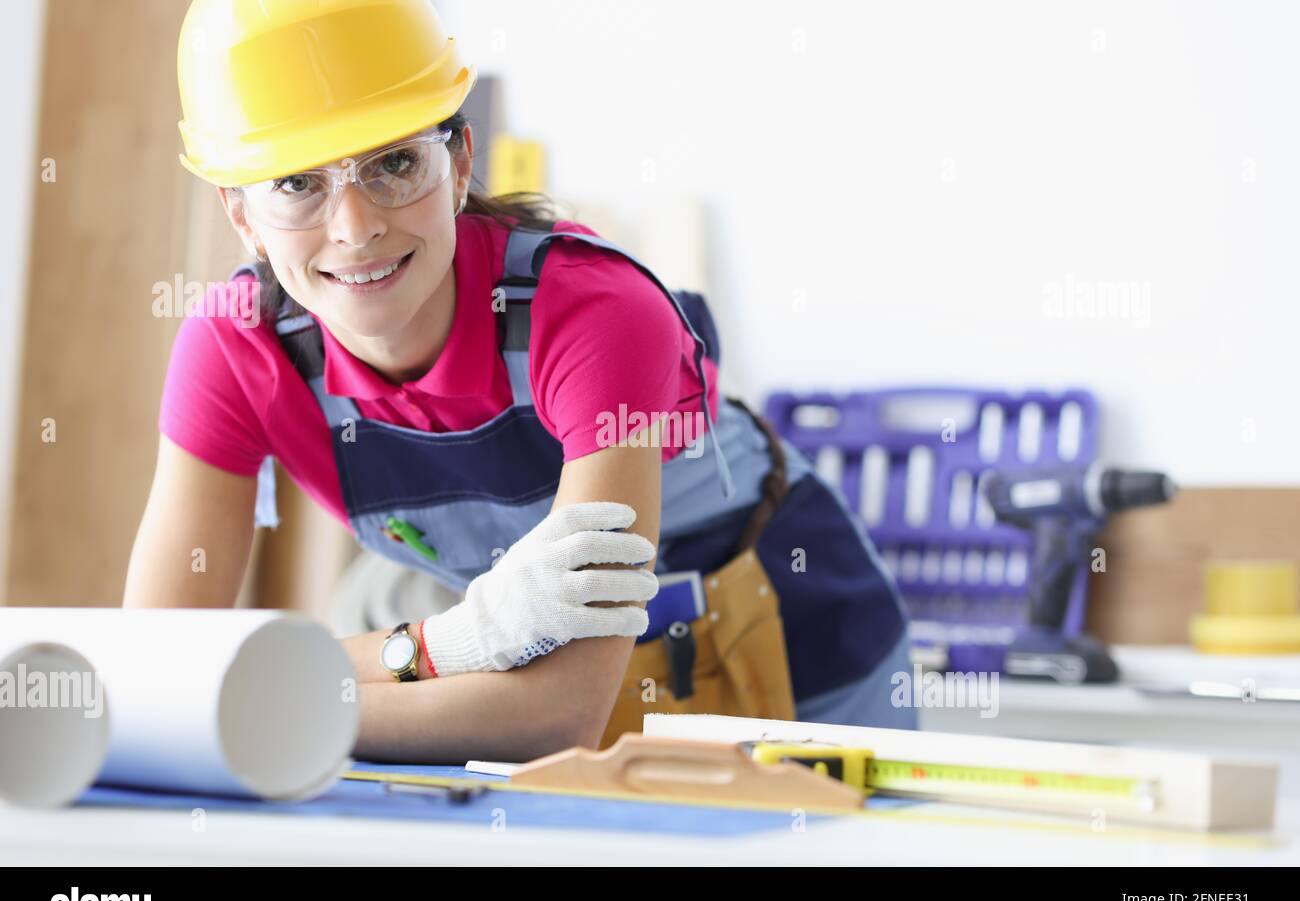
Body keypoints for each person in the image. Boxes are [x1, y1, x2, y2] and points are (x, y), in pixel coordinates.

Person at [124, 0, 914, 764]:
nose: (354, 226)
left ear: (461, 159)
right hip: (528, 655)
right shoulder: (235, 347)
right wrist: (453, 642)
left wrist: (264, 698)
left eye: (395, 163)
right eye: (297, 184)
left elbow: (554, 711)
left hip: (803, 665)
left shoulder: (592, 312)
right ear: (239, 214)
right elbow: (158, 668)